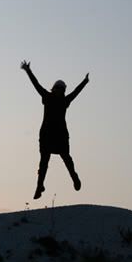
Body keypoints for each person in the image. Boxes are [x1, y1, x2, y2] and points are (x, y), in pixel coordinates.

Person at [20, 60, 89, 199]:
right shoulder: (56, 98)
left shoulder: (57, 99)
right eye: (59, 88)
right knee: (54, 160)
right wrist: (28, 71)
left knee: (56, 159)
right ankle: (43, 185)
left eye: (60, 89)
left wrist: (84, 82)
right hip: (52, 134)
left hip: (54, 134)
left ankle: (67, 179)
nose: (59, 91)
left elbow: (75, 91)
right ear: (57, 89)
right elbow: (37, 85)